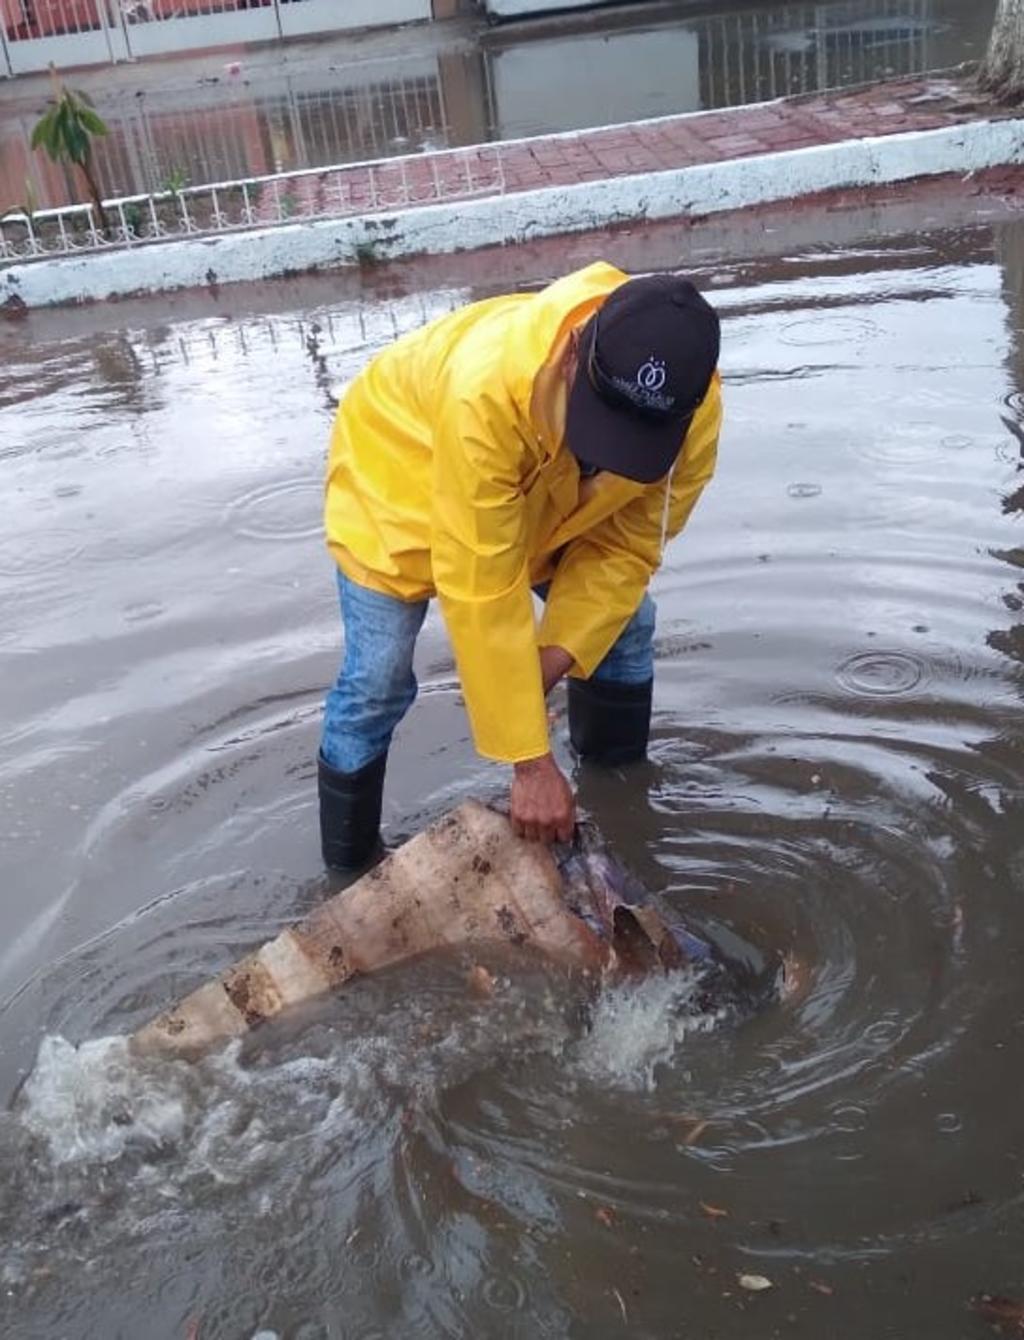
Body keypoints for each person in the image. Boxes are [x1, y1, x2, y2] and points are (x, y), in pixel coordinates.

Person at [318, 260, 722, 870]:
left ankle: (615, 800)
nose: (610, 447)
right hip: (403, 469)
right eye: (605, 420)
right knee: (378, 679)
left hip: (550, 498)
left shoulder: (696, 412)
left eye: (636, 439)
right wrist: (530, 760)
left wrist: (534, 676)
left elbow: (627, 550)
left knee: (626, 628)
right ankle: (350, 870)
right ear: (571, 357)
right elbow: (481, 583)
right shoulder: (487, 391)